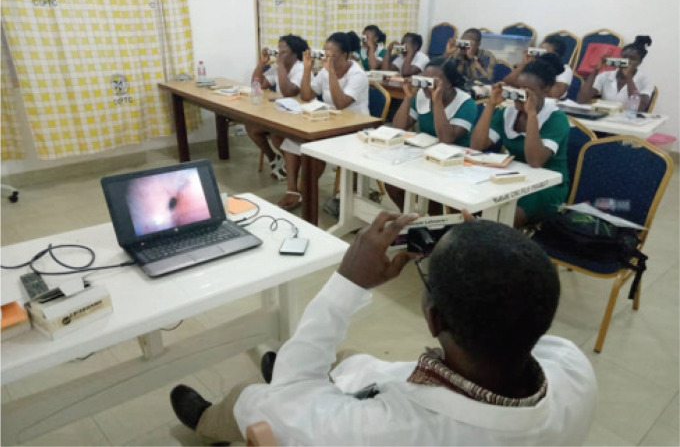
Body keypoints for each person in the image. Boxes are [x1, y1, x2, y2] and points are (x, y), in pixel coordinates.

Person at [169, 211, 597, 445]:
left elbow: (287, 400)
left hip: (362, 406)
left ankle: (208, 422)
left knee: (255, 396)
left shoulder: (380, 434)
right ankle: (308, 368)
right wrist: (482, 252)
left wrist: (348, 281)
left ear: (434, 319)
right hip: (395, 388)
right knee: (346, 357)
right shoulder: (573, 369)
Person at [470, 53, 570, 227]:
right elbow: (477, 146)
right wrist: (491, 105)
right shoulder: (508, 112)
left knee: (505, 217)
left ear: (545, 91)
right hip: (515, 177)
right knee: (475, 201)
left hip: (546, 185)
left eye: (525, 92)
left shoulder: (556, 118)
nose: (518, 96)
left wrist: (531, 114)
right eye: (516, 89)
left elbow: (536, 161)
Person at [274, 31, 369, 211]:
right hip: (330, 122)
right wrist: (308, 69)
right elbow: (307, 95)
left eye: (331, 55)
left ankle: (304, 191)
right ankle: (292, 190)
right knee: (293, 140)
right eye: (324, 54)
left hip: (354, 127)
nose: (326, 59)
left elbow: (341, 103)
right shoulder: (325, 72)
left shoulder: (357, 75)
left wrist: (331, 71)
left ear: (345, 55)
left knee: (313, 149)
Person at [387, 56, 479, 211]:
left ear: (448, 83)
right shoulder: (422, 95)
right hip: (425, 156)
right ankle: (412, 223)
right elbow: (399, 126)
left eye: (433, 82)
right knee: (392, 184)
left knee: (431, 196)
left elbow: (446, 139)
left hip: (454, 163)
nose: (427, 87)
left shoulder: (466, 104)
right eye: (424, 80)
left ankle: (434, 228)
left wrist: (436, 101)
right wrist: (408, 98)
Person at [247, 34, 309, 180]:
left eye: (284, 52)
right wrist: (262, 63)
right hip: (281, 112)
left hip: (298, 115)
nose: (279, 54)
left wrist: (280, 65)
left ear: (295, 54)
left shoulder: (300, 69)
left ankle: (291, 166)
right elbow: (257, 85)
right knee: (251, 128)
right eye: (278, 50)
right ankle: (274, 158)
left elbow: (288, 92)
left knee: (277, 135)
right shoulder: (278, 68)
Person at [577, 35, 653, 111]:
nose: (627, 61)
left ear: (639, 62)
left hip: (628, 119)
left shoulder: (645, 80)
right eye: (624, 57)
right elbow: (581, 99)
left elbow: (638, 108)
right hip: (605, 117)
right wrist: (595, 71)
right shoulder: (605, 75)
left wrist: (629, 78)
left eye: (632, 59)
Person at [504, 35, 573, 99]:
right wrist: (524, 64)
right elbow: (507, 83)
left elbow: (554, 94)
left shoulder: (565, 69)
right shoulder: (532, 65)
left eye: (544, 52)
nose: (540, 55)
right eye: (538, 51)